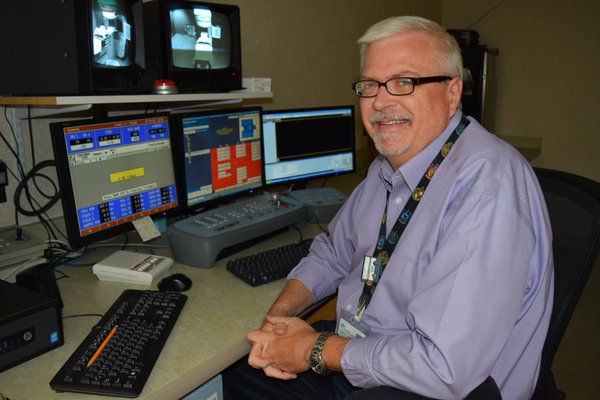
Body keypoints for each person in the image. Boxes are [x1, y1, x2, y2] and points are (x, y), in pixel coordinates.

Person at [223, 15, 554, 400]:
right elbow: (333, 252)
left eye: (404, 82)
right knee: (235, 373)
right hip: (365, 350)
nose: (380, 101)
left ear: (452, 92)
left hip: (444, 385)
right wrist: (280, 317)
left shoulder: (486, 187)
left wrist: (313, 349)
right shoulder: (388, 167)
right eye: (369, 86)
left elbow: (443, 367)